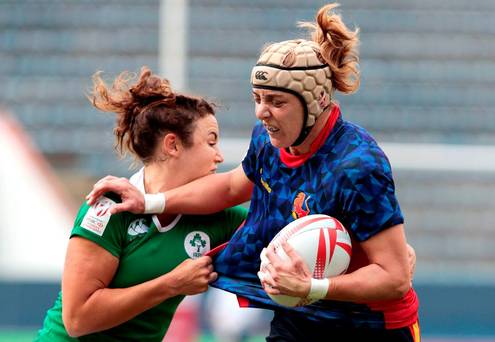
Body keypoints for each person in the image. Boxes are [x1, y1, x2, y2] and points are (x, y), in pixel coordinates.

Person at [87, 3, 420, 340]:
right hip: (299, 317)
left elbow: (394, 278)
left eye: (277, 101)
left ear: (318, 99)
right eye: (257, 98)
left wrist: (312, 286)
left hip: (371, 327)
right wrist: (150, 201)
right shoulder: (268, 141)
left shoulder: (358, 165)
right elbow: (232, 187)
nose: (262, 112)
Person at [35, 67, 248, 341]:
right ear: (172, 145)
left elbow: (276, 231)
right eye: (211, 142)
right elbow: (78, 319)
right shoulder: (109, 206)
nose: (219, 156)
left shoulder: (220, 218)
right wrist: (171, 284)